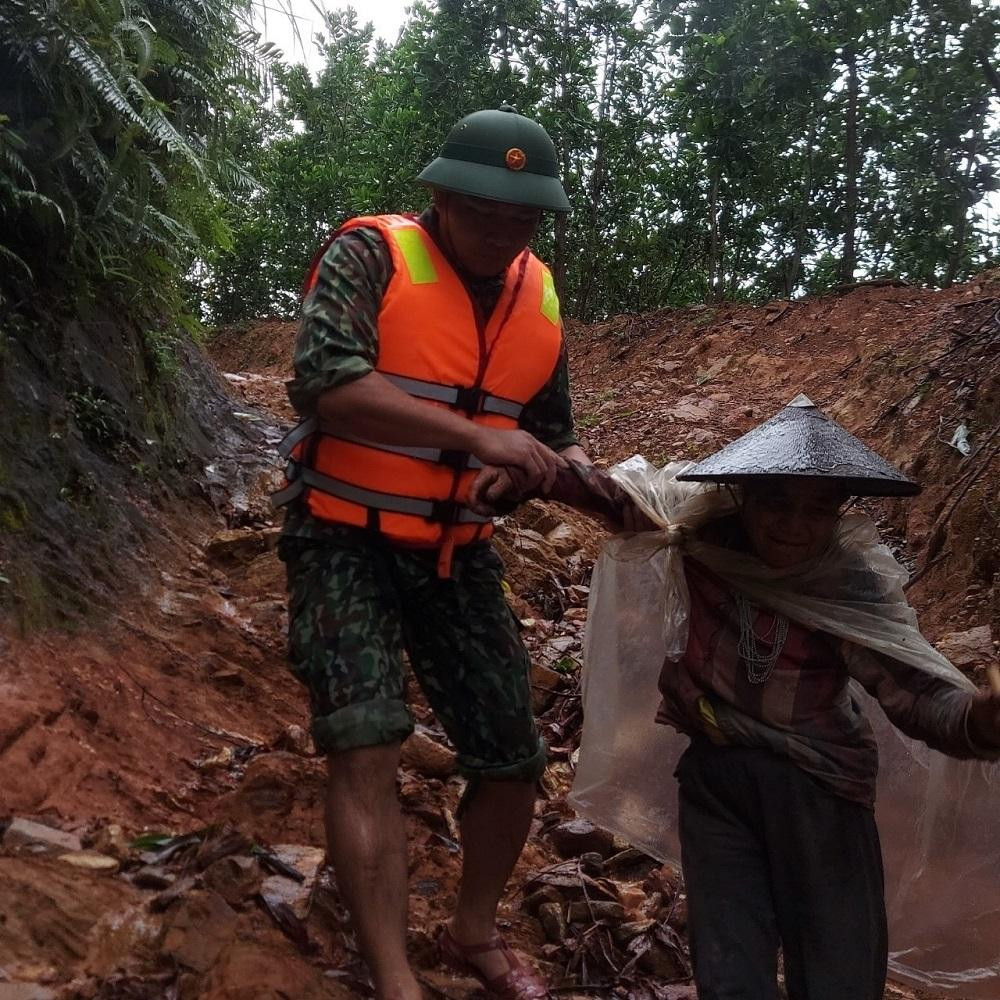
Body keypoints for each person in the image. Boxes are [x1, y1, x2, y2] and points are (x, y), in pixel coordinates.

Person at [471, 396, 1000, 1000]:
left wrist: (981, 721)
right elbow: (616, 497)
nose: (795, 527)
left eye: (817, 510)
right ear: (744, 496)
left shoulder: (847, 583)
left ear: (838, 513)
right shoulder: (701, 536)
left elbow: (918, 697)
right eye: (777, 503)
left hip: (821, 793)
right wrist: (534, 472)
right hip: (718, 784)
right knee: (729, 973)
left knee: (838, 976)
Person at [273, 107, 589, 1000]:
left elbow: (553, 437)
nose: (503, 232)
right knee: (365, 738)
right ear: (443, 196)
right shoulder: (371, 255)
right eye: (486, 211)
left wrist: (528, 475)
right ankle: (394, 975)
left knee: (514, 757)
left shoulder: (541, 296)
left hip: (456, 551)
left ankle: (473, 933)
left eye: (523, 218)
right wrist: (481, 442)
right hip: (340, 535)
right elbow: (328, 383)